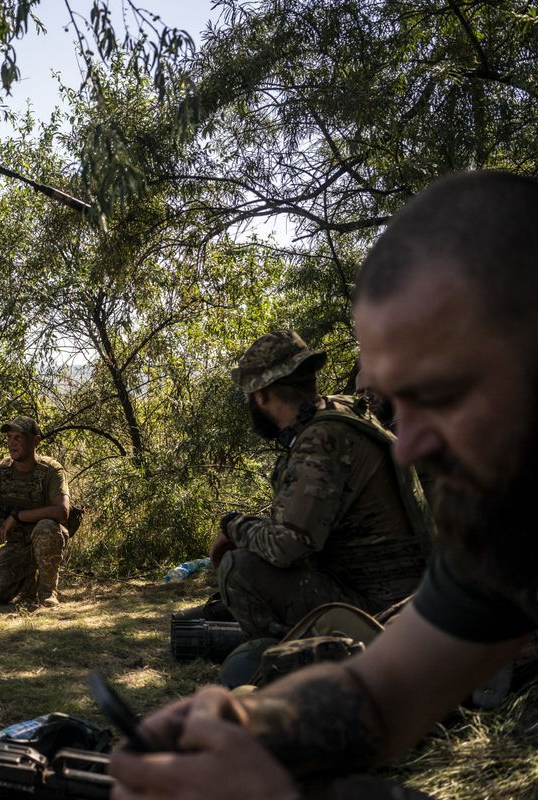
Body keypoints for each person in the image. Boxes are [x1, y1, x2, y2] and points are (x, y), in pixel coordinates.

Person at [109, 170, 538, 799]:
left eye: (441, 393)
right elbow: (379, 692)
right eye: (392, 404)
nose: (409, 444)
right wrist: (255, 724)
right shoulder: (506, 525)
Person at [211, 330, 431, 638]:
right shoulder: (345, 412)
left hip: (379, 612)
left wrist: (233, 525)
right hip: (410, 598)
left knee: (239, 567)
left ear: (260, 395)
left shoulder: (321, 438)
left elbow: (285, 548)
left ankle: (282, 660)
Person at [0, 416, 71, 607]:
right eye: (9, 437)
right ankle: (28, 581)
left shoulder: (51, 470)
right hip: (16, 547)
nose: (12, 443)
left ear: (35, 441)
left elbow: (62, 512)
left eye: (18, 437)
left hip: (45, 541)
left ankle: (47, 593)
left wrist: (17, 516)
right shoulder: (0, 471)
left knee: (46, 526)